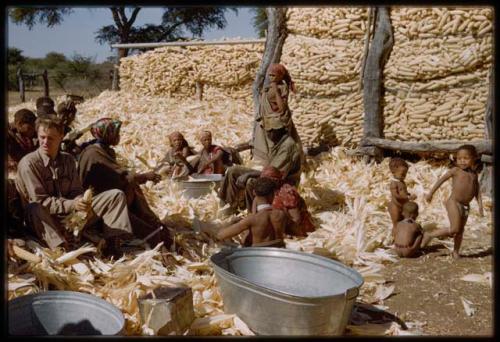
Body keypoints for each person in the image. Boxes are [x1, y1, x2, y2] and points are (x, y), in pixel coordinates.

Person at [15, 116, 135, 254]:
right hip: (45, 221)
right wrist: (73, 204)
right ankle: (61, 248)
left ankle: (113, 243)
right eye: (42, 137)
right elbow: (41, 201)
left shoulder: (68, 160)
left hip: (71, 219)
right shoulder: (29, 164)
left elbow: (76, 190)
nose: (45, 142)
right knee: (34, 208)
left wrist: (81, 201)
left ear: (61, 136)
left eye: (50, 138)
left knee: (115, 195)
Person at [77, 118, 172, 248]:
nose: (118, 136)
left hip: (108, 197)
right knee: (131, 190)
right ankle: (116, 241)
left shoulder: (104, 150)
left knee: (132, 191)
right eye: (116, 133)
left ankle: (153, 228)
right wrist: (145, 176)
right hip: (96, 204)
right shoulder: (94, 153)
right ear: (106, 134)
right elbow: (122, 176)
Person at [219, 123, 302, 213]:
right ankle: (230, 205)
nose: (267, 134)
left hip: (282, 181)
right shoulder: (277, 140)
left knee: (251, 182)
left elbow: (273, 173)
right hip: (270, 173)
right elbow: (253, 144)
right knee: (233, 170)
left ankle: (254, 215)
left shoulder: (287, 146)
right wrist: (233, 150)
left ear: (277, 130)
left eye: (269, 131)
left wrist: (248, 174)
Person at [422, 145, 484, 259]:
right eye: (459, 158)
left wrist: (480, 205)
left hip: (466, 206)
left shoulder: (474, 174)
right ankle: (430, 234)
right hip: (454, 202)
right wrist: (431, 193)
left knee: (460, 231)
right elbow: (441, 180)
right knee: (454, 228)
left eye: (466, 158)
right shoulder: (456, 170)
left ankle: (456, 252)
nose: (462, 161)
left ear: (474, 158)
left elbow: (477, 191)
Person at [204, 177, 286, 247]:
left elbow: (220, 235)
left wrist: (229, 223)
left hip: (258, 257)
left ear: (254, 193)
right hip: (278, 253)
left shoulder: (252, 219)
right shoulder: (281, 215)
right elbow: (297, 231)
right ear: (272, 194)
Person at [253, 63, 303, 162]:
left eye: (273, 75)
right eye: (270, 75)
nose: (271, 77)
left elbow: (282, 108)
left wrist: (275, 91)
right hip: (267, 119)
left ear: (280, 76)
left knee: (278, 144)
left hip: (277, 121)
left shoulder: (282, 88)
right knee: (266, 144)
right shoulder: (269, 86)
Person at [254, 166, 315, 237]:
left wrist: (280, 232)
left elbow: (296, 219)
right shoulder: (266, 190)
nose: (263, 183)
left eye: (266, 181)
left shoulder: (287, 193)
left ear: (275, 180)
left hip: (294, 230)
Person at [388, 158, 416, 237]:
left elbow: (404, 192)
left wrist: (408, 194)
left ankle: (403, 235)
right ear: (393, 171)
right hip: (395, 206)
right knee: (396, 223)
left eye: (405, 174)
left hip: (403, 206)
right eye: (402, 174)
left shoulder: (402, 183)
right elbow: (396, 195)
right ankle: (395, 237)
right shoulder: (394, 183)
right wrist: (407, 197)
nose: (404, 176)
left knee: (403, 221)